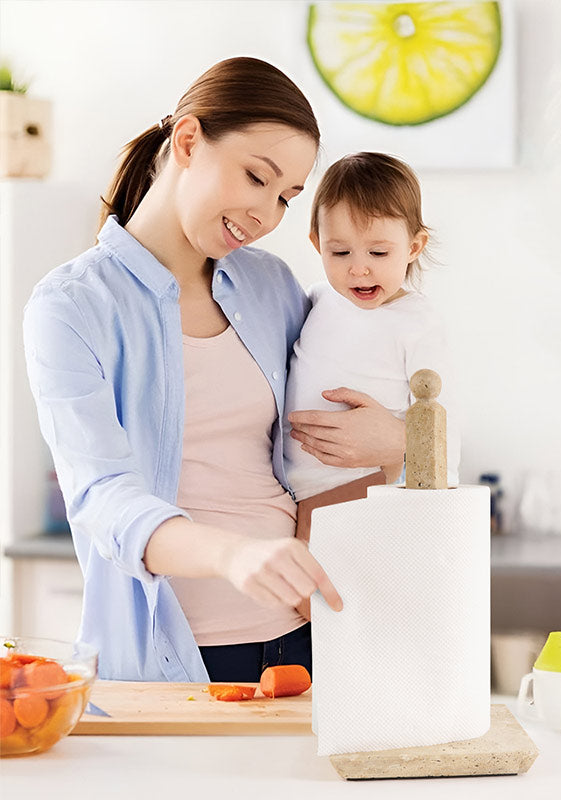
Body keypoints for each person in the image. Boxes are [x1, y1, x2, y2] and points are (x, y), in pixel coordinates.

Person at [22, 58, 404, 683]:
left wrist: (399, 443)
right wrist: (234, 555)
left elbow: (322, 445)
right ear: (189, 141)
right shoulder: (73, 305)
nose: (266, 215)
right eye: (257, 177)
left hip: (308, 637)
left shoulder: (271, 286)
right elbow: (101, 497)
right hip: (174, 656)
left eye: (285, 198)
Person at [285, 152, 460, 548]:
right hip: (292, 491)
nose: (358, 268)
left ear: (414, 247)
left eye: (378, 253)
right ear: (316, 243)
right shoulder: (315, 301)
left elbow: (445, 430)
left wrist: (438, 505)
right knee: (308, 604)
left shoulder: (417, 322)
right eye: (340, 252)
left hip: (362, 488)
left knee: (350, 602)